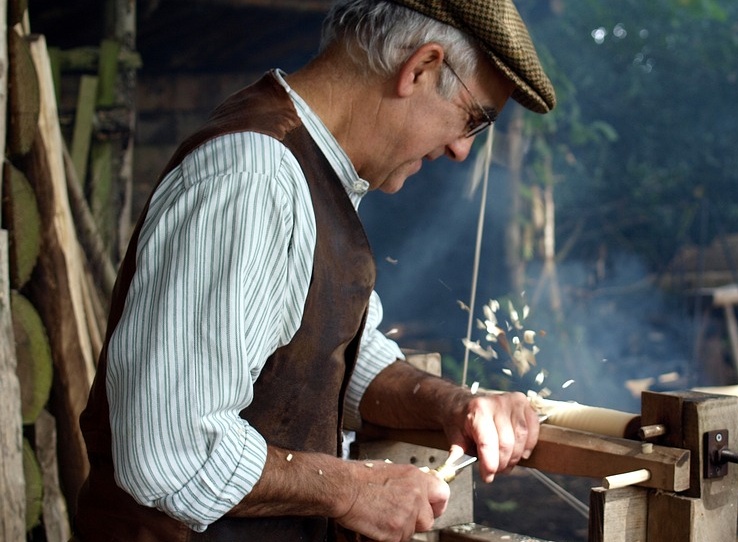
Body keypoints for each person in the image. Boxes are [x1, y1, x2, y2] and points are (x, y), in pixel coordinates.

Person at [73, 0, 556, 540]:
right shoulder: (255, 177)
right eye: (473, 119)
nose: (462, 150)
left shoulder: (310, 172)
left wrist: (457, 406)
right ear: (420, 67)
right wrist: (351, 489)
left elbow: (340, 359)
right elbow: (172, 447)